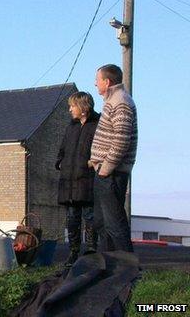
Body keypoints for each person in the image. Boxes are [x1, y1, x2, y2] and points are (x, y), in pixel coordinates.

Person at [89, 64, 138, 252]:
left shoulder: (121, 102)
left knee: (114, 223)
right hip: (104, 172)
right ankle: (110, 265)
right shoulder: (113, 100)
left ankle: (127, 267)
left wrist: (106, 168)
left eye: (97, 79)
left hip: (112, 173)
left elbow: (121, 139)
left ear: (107, 82)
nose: (95, 83)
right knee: (102, 222)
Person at [56, 92, 99, 266]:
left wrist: (92, 162)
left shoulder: (98, 123)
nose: (70, 109)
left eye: (72, 106)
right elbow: (63, 148)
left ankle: (91, 250)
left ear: (83, 107)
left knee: (89, 216)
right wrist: (60, 162)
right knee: (72, 218)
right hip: (69, 179)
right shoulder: (71, 126)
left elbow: (102, 147)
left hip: (88, 178)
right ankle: (73, 252)